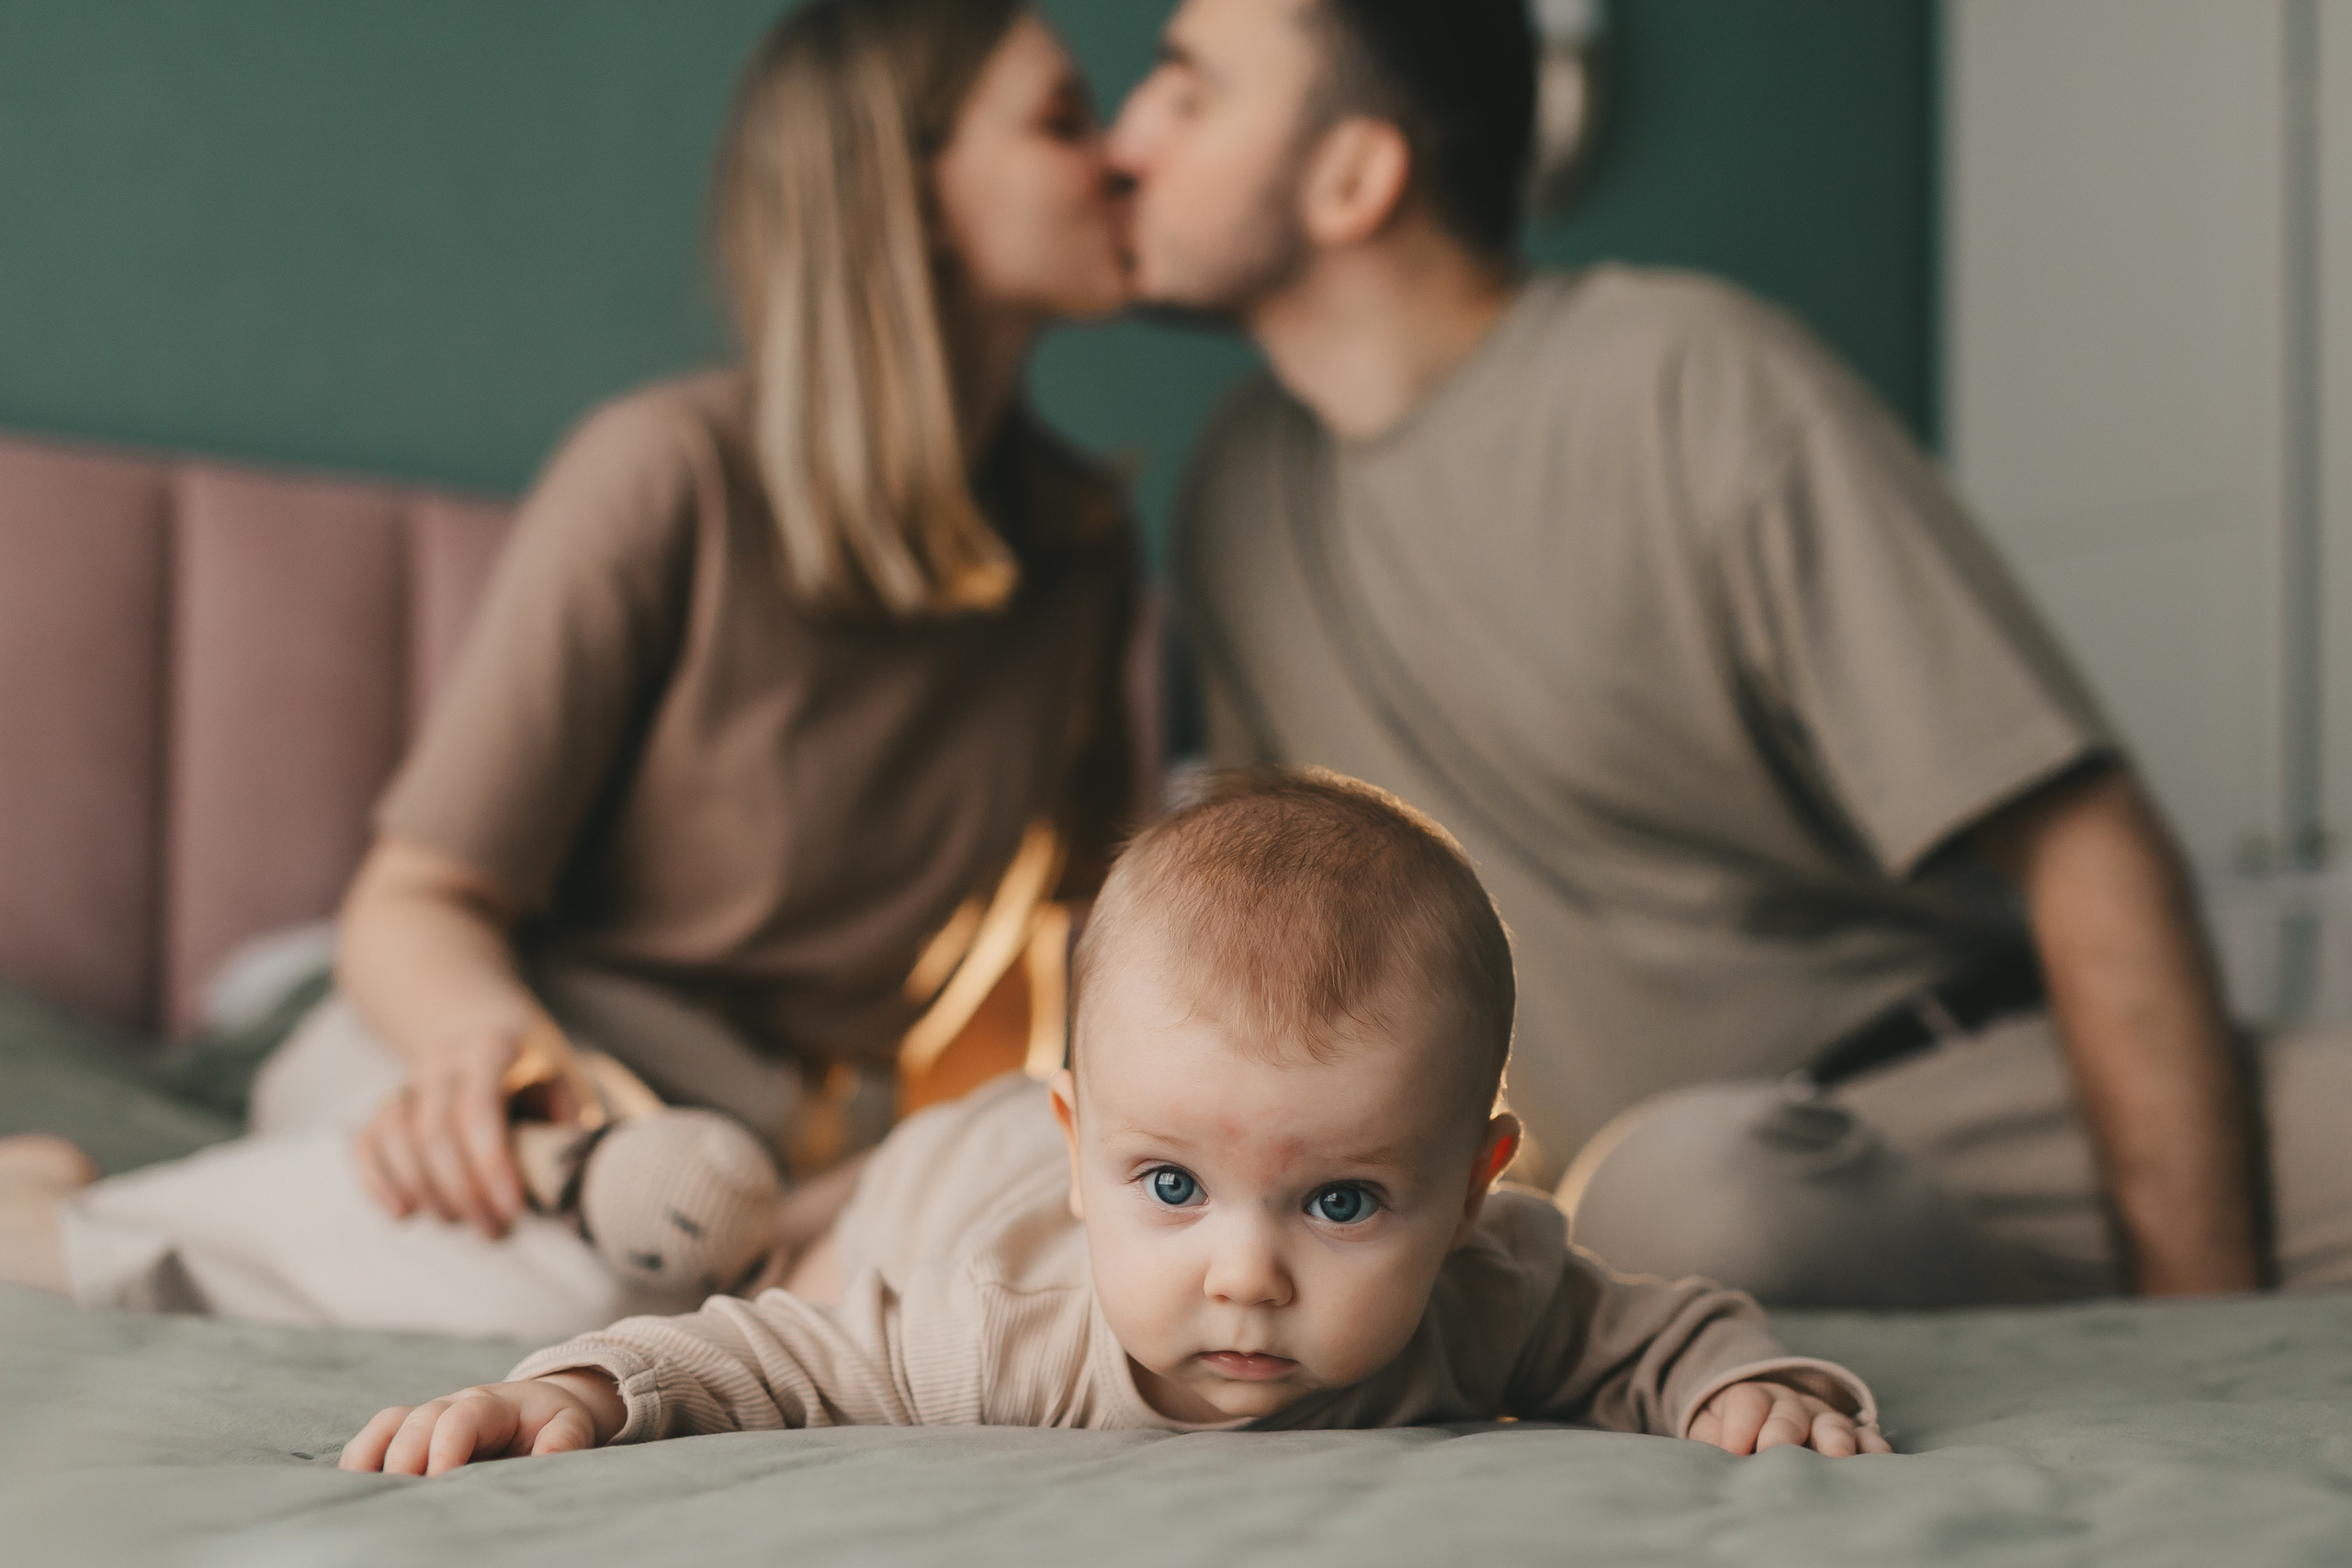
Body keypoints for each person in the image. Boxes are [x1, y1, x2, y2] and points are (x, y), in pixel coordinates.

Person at [1110, 0, 2352, 1304]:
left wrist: (2196, 1314)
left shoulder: (1688, 379)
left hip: (1986, 1092)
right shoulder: (1236, 495)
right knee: (1687, 1199)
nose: (1127, 140)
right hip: (1683, 1197)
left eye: (1188, 94)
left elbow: (2087, 844)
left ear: (1354, 177)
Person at [0, 0, 1148, 1337]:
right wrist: (508, 1078)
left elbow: (1066, 959)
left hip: (763, 1156)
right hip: (501, 1052)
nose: (1122, 156)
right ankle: (55, 1230)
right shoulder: (670, 476)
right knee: (609, 1275)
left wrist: (875, 1188)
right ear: (905, 184)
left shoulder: (1084, 551)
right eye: (1064, 120)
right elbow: (415, 902)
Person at [336, 772, 1888, 1473]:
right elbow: (763, 1357)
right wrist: (587, 1388)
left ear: (1475, 1189)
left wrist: (1752, 1391)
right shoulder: (992, 1335)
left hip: (1054, 1141)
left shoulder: (1494, 1291)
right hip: (952, 1180)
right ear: (1089, 1152)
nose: (1245, 1276)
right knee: (779, 1247)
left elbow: (1660, 1331)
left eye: (1342, 1203)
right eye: (1172, 1187)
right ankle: (820, 1190)